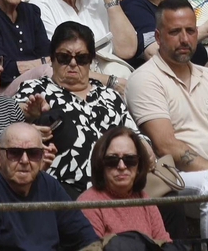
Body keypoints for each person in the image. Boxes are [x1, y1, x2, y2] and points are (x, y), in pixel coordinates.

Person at [125, 0, 208, 241]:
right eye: (175, 32)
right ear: (158, 37)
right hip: (169, 179)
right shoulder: (145, 78)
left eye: (191, 31)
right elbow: (166, 145)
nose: (184, 39)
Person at [12, 21, 135, 195]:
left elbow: (135, 135)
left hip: (117, 183)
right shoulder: (34, 89)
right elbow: (9, 132)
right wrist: (30, 120)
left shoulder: (110, 96)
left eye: (81, 58)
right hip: (62, 187)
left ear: (90, 60)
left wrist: (144, 147)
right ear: (52, 58)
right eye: (64, 57)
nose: (72, 63)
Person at [0, 122, 99, 251]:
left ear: (42, 157)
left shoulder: (49, 185)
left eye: (33, 153)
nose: (24, 160)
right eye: (15, 153)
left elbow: (86, 237)